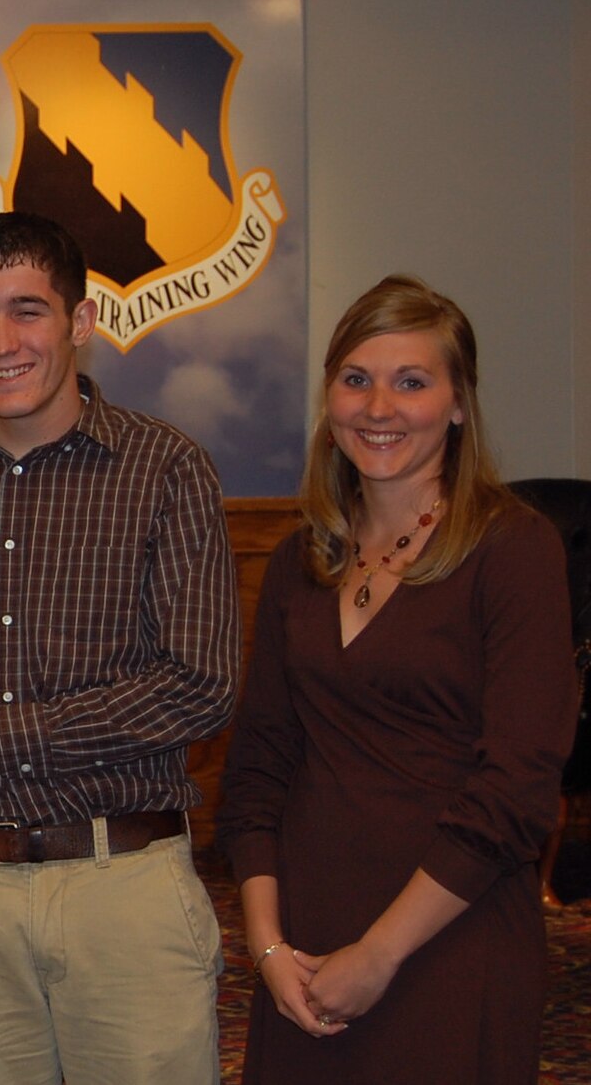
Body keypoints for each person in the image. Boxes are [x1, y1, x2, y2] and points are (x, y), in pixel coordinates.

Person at [0, 211, 237, 1084]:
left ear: (81, 320)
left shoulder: (166, 469)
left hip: (128, 884)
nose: (3, 341)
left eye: (28, 310)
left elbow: (198, 687)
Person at [216, 275, 576, 1082]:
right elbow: (257, 773)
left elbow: (516, 789)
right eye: (356, 379)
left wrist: (380, 953)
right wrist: (269, 946)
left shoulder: (513, 551)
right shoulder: (298, 561)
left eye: (411, 382)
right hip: (303, 949)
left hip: (449, 938)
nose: (378, 407)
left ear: (457, 404)